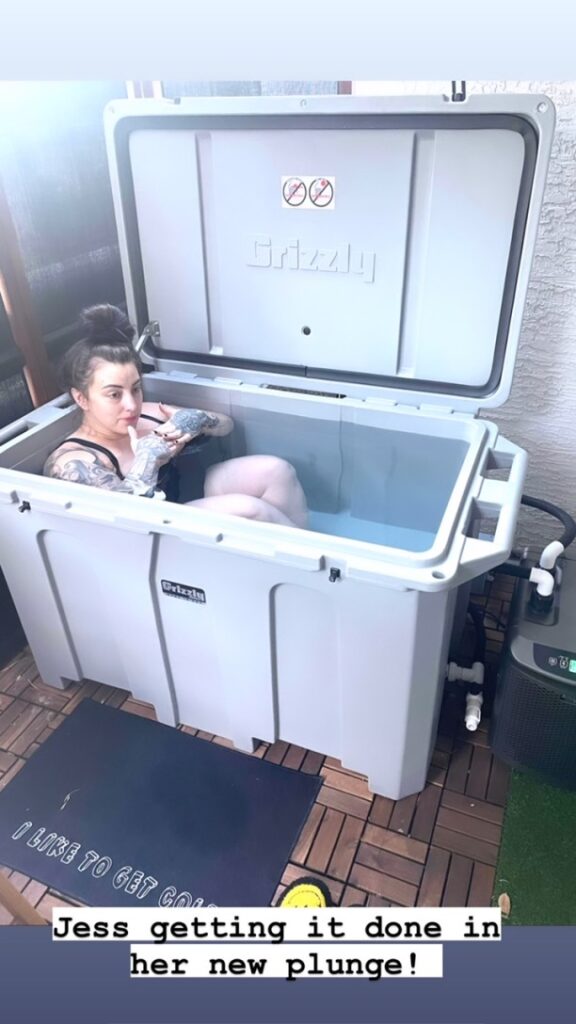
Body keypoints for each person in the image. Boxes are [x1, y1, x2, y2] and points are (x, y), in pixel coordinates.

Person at [43, 305, 308, 528]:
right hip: (155, 535)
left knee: (277, 471)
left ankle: (304, 557)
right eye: (114, 394)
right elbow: (125, 524)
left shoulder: (145, 414)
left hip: (183, 503)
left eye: (135, 388)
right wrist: (147, 459)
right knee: (250, 509)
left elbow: (227, 425)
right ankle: (308, 572)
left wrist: (196, 420)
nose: (131, 404)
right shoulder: (76, 462)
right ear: (81, 398)